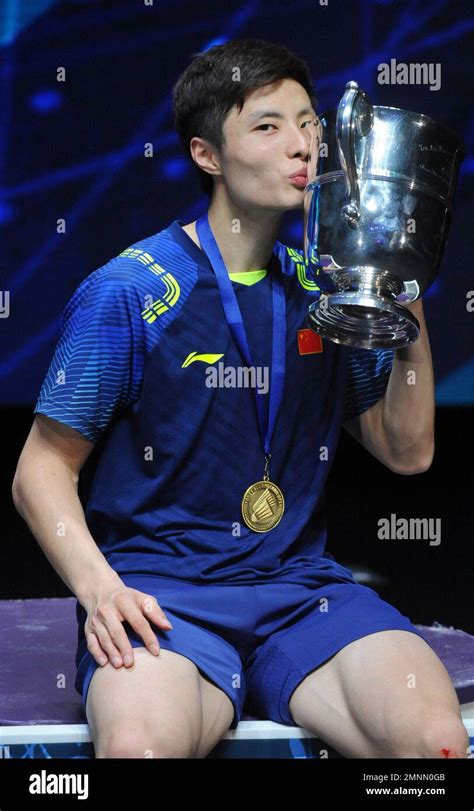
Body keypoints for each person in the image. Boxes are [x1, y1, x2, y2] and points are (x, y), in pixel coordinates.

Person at [12, 38, 468, 759]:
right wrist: (101, 590)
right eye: (267, 126)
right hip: (166, 596)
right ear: (206, 155)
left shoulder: (327, 290)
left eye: (309, 122)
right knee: (139, 751)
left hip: (301, 593)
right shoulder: (132, 291)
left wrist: (401, 288)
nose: (302, 145)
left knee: (434, 742)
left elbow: (406, 452)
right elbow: (41, 468)